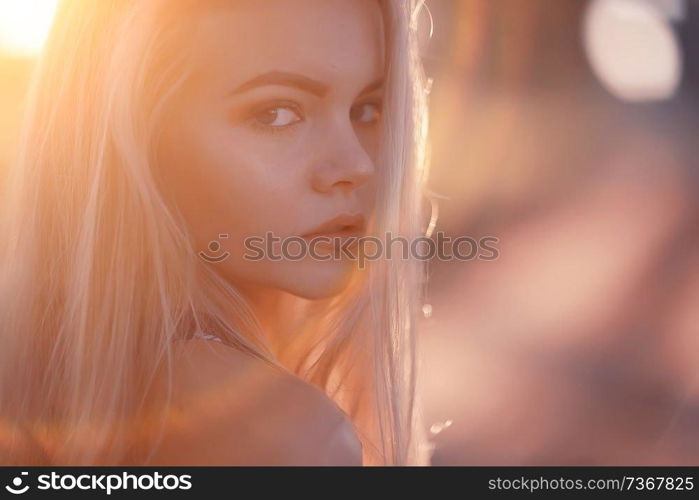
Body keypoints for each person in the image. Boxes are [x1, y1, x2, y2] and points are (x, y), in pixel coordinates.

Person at [0, 0, 430, 466]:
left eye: (366, 109)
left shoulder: (51, 379)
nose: (357, 165)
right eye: (277, 113)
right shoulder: (285, 437)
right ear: (136, 136)